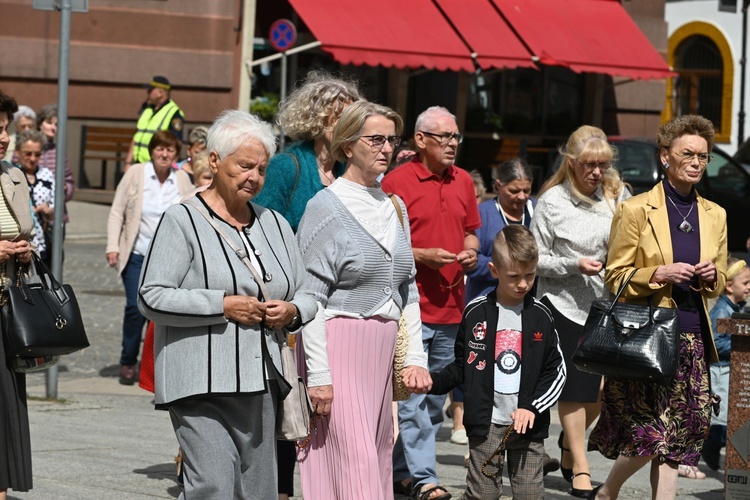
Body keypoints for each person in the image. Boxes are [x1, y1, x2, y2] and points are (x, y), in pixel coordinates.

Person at [138, 109, 318, 500]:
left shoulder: (275, 224)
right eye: (244, 166)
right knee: (214, 485)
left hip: (261, 381)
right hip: (198, 381)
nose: (253, 176)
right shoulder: (181, 220)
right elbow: (151, 296)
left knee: (258, 490)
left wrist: (292, 311)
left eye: (261, 169)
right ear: (215, 161)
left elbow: (306, 291)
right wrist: (222, 304)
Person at [295, 101, 431, 499]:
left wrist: (415, 358)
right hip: (339, 349)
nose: (386, 148)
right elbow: (310, 300)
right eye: (375, 139)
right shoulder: (324, 206)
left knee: (376, 458)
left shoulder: (395, 206)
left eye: (392, 139)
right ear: (348, 145)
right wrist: (319, 376)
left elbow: (407, 290)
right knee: (356, 466)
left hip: (381, 355)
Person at [589, 115, 727, 500]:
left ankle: (609, 491)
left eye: (704, 156)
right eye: (688, 153)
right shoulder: (636, 209)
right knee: (654, 432)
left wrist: (709, 275)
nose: (697, 162)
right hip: (649, 336)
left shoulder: (716, 215)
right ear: (665, 156)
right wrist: (658, 273)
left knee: (677, 438)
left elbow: (716, 280)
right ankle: (609, 489)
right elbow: (614, 277)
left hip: (694, 338)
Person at [382, 106, 481, 500]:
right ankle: (425, 480)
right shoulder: (396, 182)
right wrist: (420, 255)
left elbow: (472, 231)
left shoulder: (464, 182)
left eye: (456, 136)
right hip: (411, 306)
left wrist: (472, 252)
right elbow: (383, 245)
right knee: (413, 397)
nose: (453, 144)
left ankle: (398, 472)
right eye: (445, 137)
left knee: (434, 401)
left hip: (454, 307)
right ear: (421, 140)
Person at [530, 125, 631, 497]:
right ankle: (582, 471)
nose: (596, 173)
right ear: (571, 163)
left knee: (601, 392)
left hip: (605, 305)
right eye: (589, 165)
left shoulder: (616, 196)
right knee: (575, 388)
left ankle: (570, 450)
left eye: (602, 165)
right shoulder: (552, 201)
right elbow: (535, 258)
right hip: (561, 303)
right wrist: (574, 265)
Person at [430, 225, 566, 499]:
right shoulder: (475, 312)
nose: (523, 284)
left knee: (529, 494)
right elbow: (462, 364)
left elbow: (557, 371)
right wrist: (433, 382)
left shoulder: (541, 315)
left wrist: (531, 407)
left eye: (530, 275)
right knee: (483, 494)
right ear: (494, 271)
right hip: (485, 423)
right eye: (514, 276)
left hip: (527, 426)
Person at [106, 130, 192, 385]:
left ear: (176, 154)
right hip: (137, 253)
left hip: (167, 258)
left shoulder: (182, 179)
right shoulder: (136, 174)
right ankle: (128, 360)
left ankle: (153, 367)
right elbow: (116, 211)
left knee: (160, 312)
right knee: (135, 307)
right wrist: (113, 245)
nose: (164, 154)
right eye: (160, 149)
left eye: (170, 150)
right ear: (152, 151)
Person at [253, 70, 361, 232]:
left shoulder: (348, 169)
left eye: (352, 120)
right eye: (339, 117)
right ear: (317, 117)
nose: (347, 126)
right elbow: (258, 228)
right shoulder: (285, 167)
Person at [0, 89, 38, 500]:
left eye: (6, 128)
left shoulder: (12, 176)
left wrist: (26, 252)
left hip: (7, 308)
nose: (4, 136)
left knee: (8, 403)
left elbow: (27, 236)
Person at [703, 257, 750, 471]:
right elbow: (715, 343)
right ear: (729, 286)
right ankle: (710, 447)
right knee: (721, 414)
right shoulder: (722, 311)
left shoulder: (736, 308)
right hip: (720, 369)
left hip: (729, 369)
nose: (749, 288)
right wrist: (740, 342)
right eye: (746, 283)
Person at [466, 159, 535, 302]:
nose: (522, 196)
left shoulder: (539, 210)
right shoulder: (482, 214)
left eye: (526, 190)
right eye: (514, 191)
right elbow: (471, 262)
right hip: (488, 299)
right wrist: (509, 268)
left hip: (530, 300)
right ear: (498, 186)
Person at [14, 130, 55, 268]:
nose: (32, 158)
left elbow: (57, 208)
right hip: (21, 246)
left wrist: (48, 211)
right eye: (28, 154)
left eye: (37, 154)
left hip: (43, 242)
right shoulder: (11, 175)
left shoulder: (47, 175)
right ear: (18, 152)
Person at [125, 76, 185, 169]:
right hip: (138, 164)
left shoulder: (174, 113)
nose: (147, 93)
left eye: (150, 90)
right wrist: (128, 162)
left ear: (160, 93)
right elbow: (137, 136)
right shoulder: (147, 109)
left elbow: (177, 143)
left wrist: (171, 168)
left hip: (157, 167)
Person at [36, 104, 75, 204]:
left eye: (56, 124)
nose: (53, 127)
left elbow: (69, 179)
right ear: (40, 124)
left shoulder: (59, 151)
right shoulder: (27, 146)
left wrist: (65, 189)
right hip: (32, 210)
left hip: (55, 211)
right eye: (49, 123)